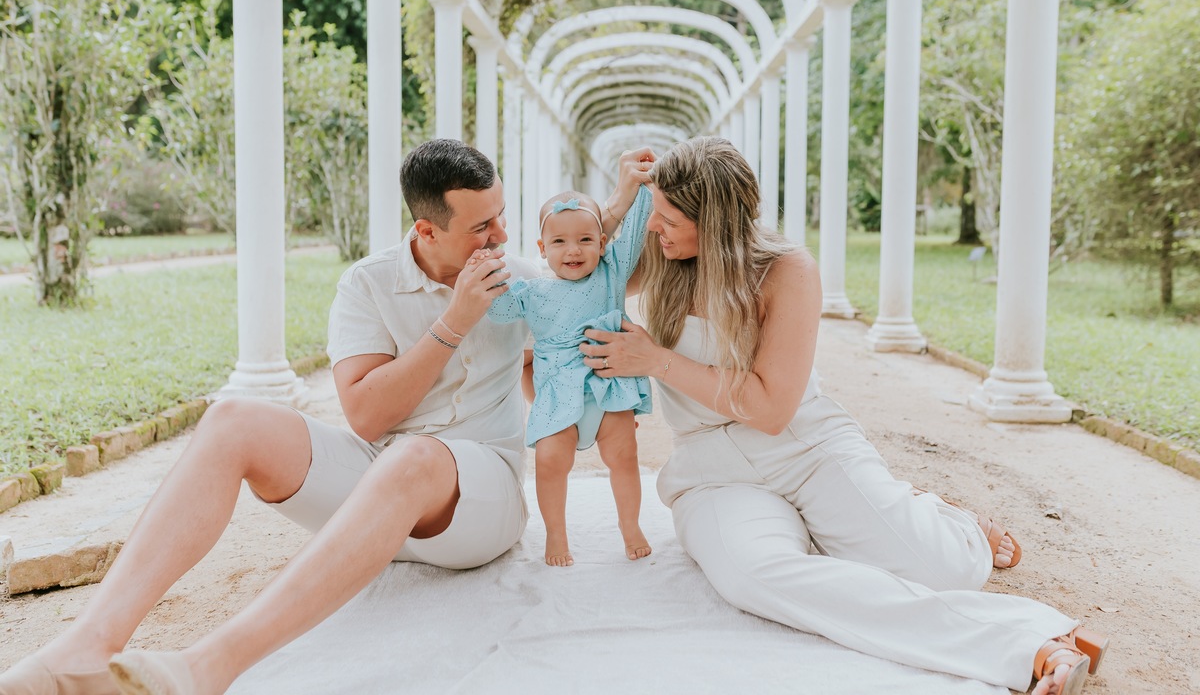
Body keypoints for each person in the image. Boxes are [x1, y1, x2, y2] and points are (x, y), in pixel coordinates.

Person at [0, 138, 646, 695]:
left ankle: (204, 669)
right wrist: (453, 322)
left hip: (480, 503)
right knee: (233, 419)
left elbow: (595, 280)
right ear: (426, 231)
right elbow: (364, 417)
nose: (500, 237)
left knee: (415, 457)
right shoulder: (367, 284)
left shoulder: (528, 280)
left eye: (501, 218)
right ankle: (81, 647)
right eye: (482, 227)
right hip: (381, 477)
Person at [580, 136, 1109, 695]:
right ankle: (1026, 644)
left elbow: (771, 409)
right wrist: (618, 204)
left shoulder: (786, 270)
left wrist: (658, 360)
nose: (654, 228)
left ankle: (951, 524)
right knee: (753, 576)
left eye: (667, 218)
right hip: (712, 472)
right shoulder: (660, 254)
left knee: (950, 571)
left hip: (804, 446)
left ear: (714, 223)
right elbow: (576, 270)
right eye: (651, 215)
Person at [487, 149, 656, 567]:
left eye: (585, 239)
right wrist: (486, 264)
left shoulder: (612, 272)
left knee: (624, 455)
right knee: (549, 462)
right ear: (542, 249)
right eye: (559, 241)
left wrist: (642, 185)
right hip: (557, 394)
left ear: (601, 242)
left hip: (607, 387)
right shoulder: (532, 291)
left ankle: (630, 524)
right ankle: (556, 534)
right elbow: (496, 309)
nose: (573, 250)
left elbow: (633, 231)